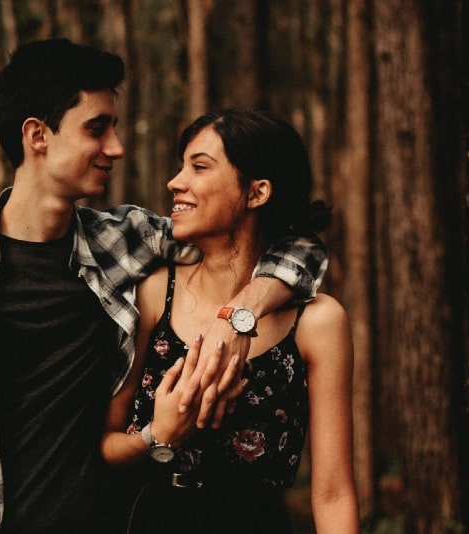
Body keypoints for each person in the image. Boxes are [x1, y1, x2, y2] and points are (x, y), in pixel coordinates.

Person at [0, 39, 328, 533]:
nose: (116, 148)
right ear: (37, 135)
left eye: (115, 128)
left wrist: (242, 316)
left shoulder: (122, 244)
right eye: (96, 128)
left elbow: (294, 246)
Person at [101, 109, 359, 533]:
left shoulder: (318, 322)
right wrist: (158, 434)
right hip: (148, 519)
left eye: (199, 167)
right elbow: (106, 444)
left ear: (257, 193)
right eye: (181, 165)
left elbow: (333, 492)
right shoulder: (153, 293)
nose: (175, 181)